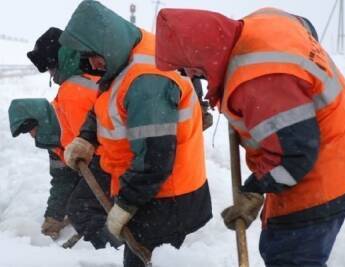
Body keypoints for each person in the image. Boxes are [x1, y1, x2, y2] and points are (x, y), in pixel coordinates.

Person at [154, 7, 345, 266]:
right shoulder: (264, 21)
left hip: (326, 172)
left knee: (286, 253)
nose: (192, 77)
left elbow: (295, 156)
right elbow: (306, 25)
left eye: (187, 70)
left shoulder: (257, 80)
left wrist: (255, 188)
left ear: (202, 56)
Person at [59, 1, 212, 266]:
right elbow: (105, 102)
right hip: (151, 191)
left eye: (94, 54)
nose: (93, 63)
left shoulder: (147, 80)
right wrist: (87, 137)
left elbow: (156, 157)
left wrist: (127, 204)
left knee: (142, 261)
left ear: (107, 42)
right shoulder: (123, 55)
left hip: (167, 198)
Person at [9, 27, 116, 249]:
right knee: (79, 204)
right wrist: (53, 218)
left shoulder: (72, 95)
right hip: (119, 166)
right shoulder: (58, 136)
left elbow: (100, 149)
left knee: (82, 208)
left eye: (32, 130)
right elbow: (62, 181)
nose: (33, 136)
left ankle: (104, 252)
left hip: (116, 168)